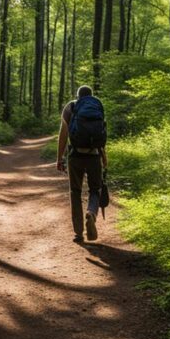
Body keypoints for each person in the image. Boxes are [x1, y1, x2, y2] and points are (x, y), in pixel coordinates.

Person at [56, 85, 108, 243]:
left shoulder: (71, 107)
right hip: (94, 155)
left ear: (78, 96)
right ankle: (91, 212)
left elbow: (63, 135)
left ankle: (79, 233)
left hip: (75, 156)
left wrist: (60, 158)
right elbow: (101, 134)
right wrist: (104, 157)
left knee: (75, 192)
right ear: (90, 96)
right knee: (95, 189)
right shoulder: (97, 105)